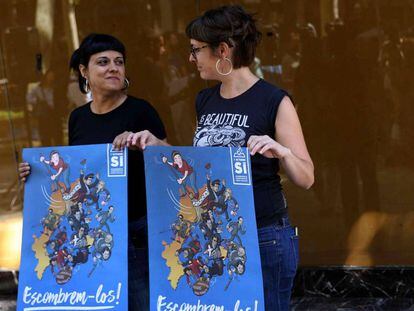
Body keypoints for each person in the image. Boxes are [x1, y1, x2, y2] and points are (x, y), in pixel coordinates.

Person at [128, 5, 314, 310]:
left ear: (223, 50)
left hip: (263, 236)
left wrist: (281, 151)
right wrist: (158, 145)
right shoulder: (205, 99)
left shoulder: (273, 100)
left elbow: (307, 177)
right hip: (215, 237)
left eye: (196, 50)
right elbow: (199, 167)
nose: (191, 58)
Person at [19, 33, 168, 310]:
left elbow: (172, 162)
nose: (113, 67)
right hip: (91, 233)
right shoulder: (78, 118)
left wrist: (145, 143)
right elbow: (74, 171)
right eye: (103, 62)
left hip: (138, 231)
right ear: (84, 71)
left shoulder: (140, 111)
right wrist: (36, 173)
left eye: (119, 62)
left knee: (142, 303)